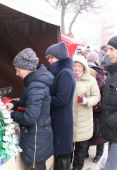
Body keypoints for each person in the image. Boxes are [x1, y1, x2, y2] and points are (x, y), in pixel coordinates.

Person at [5, 48, 53, 170]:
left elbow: (30, 118)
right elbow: (29, 103)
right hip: (38, 137)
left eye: (18, 70)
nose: (16, 74)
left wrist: (10, 114)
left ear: (26, 69)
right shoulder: (35, 83)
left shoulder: (35, 86)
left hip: (35, 140)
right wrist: (14, 104)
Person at [46, 42, 76, 170]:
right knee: (58, 152)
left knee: (62, 151)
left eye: (51, 57)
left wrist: (42, 100)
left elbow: (61, 99)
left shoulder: (65, 73)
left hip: (62, 120)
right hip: (57, 118)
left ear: (60, 57)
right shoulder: (60, 73)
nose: (49, 61)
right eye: (48, 58)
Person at [71, 56, 100, 170]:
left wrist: (88, 101)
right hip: (70, 120)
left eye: (79, 66)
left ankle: (77, 168)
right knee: (68, 149)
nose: (77, 68)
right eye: (75, 66)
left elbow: (97, 96)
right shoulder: (68, 79)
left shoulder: (90, 80)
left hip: (84, 122)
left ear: (84, 68)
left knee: (81, 150)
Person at [85, 52, 107, 163]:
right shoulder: (102, 77)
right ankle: (99, 154)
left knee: (88, 130)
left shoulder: (83, 73)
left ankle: (85, 152)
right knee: (100, 133)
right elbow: (104, 97)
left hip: (87, 107)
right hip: (99, 109)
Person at [101, 36, 117, 170]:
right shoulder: (113, 72)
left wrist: (112, 121)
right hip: (113, 133)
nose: (108, 53)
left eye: (112, 49)